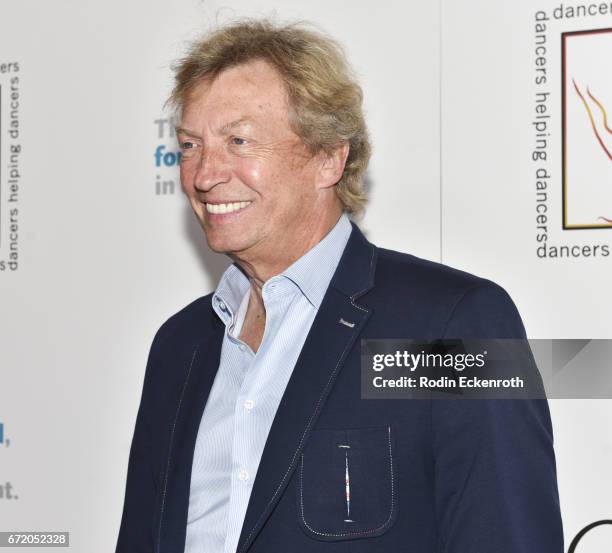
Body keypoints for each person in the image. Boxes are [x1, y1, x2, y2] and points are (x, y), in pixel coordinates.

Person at [115, 19, 563, 553]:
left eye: (239, 140)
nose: (205, 173)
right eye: (190, 145)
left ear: (329, 156)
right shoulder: (178, 346)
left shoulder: (455, 325)